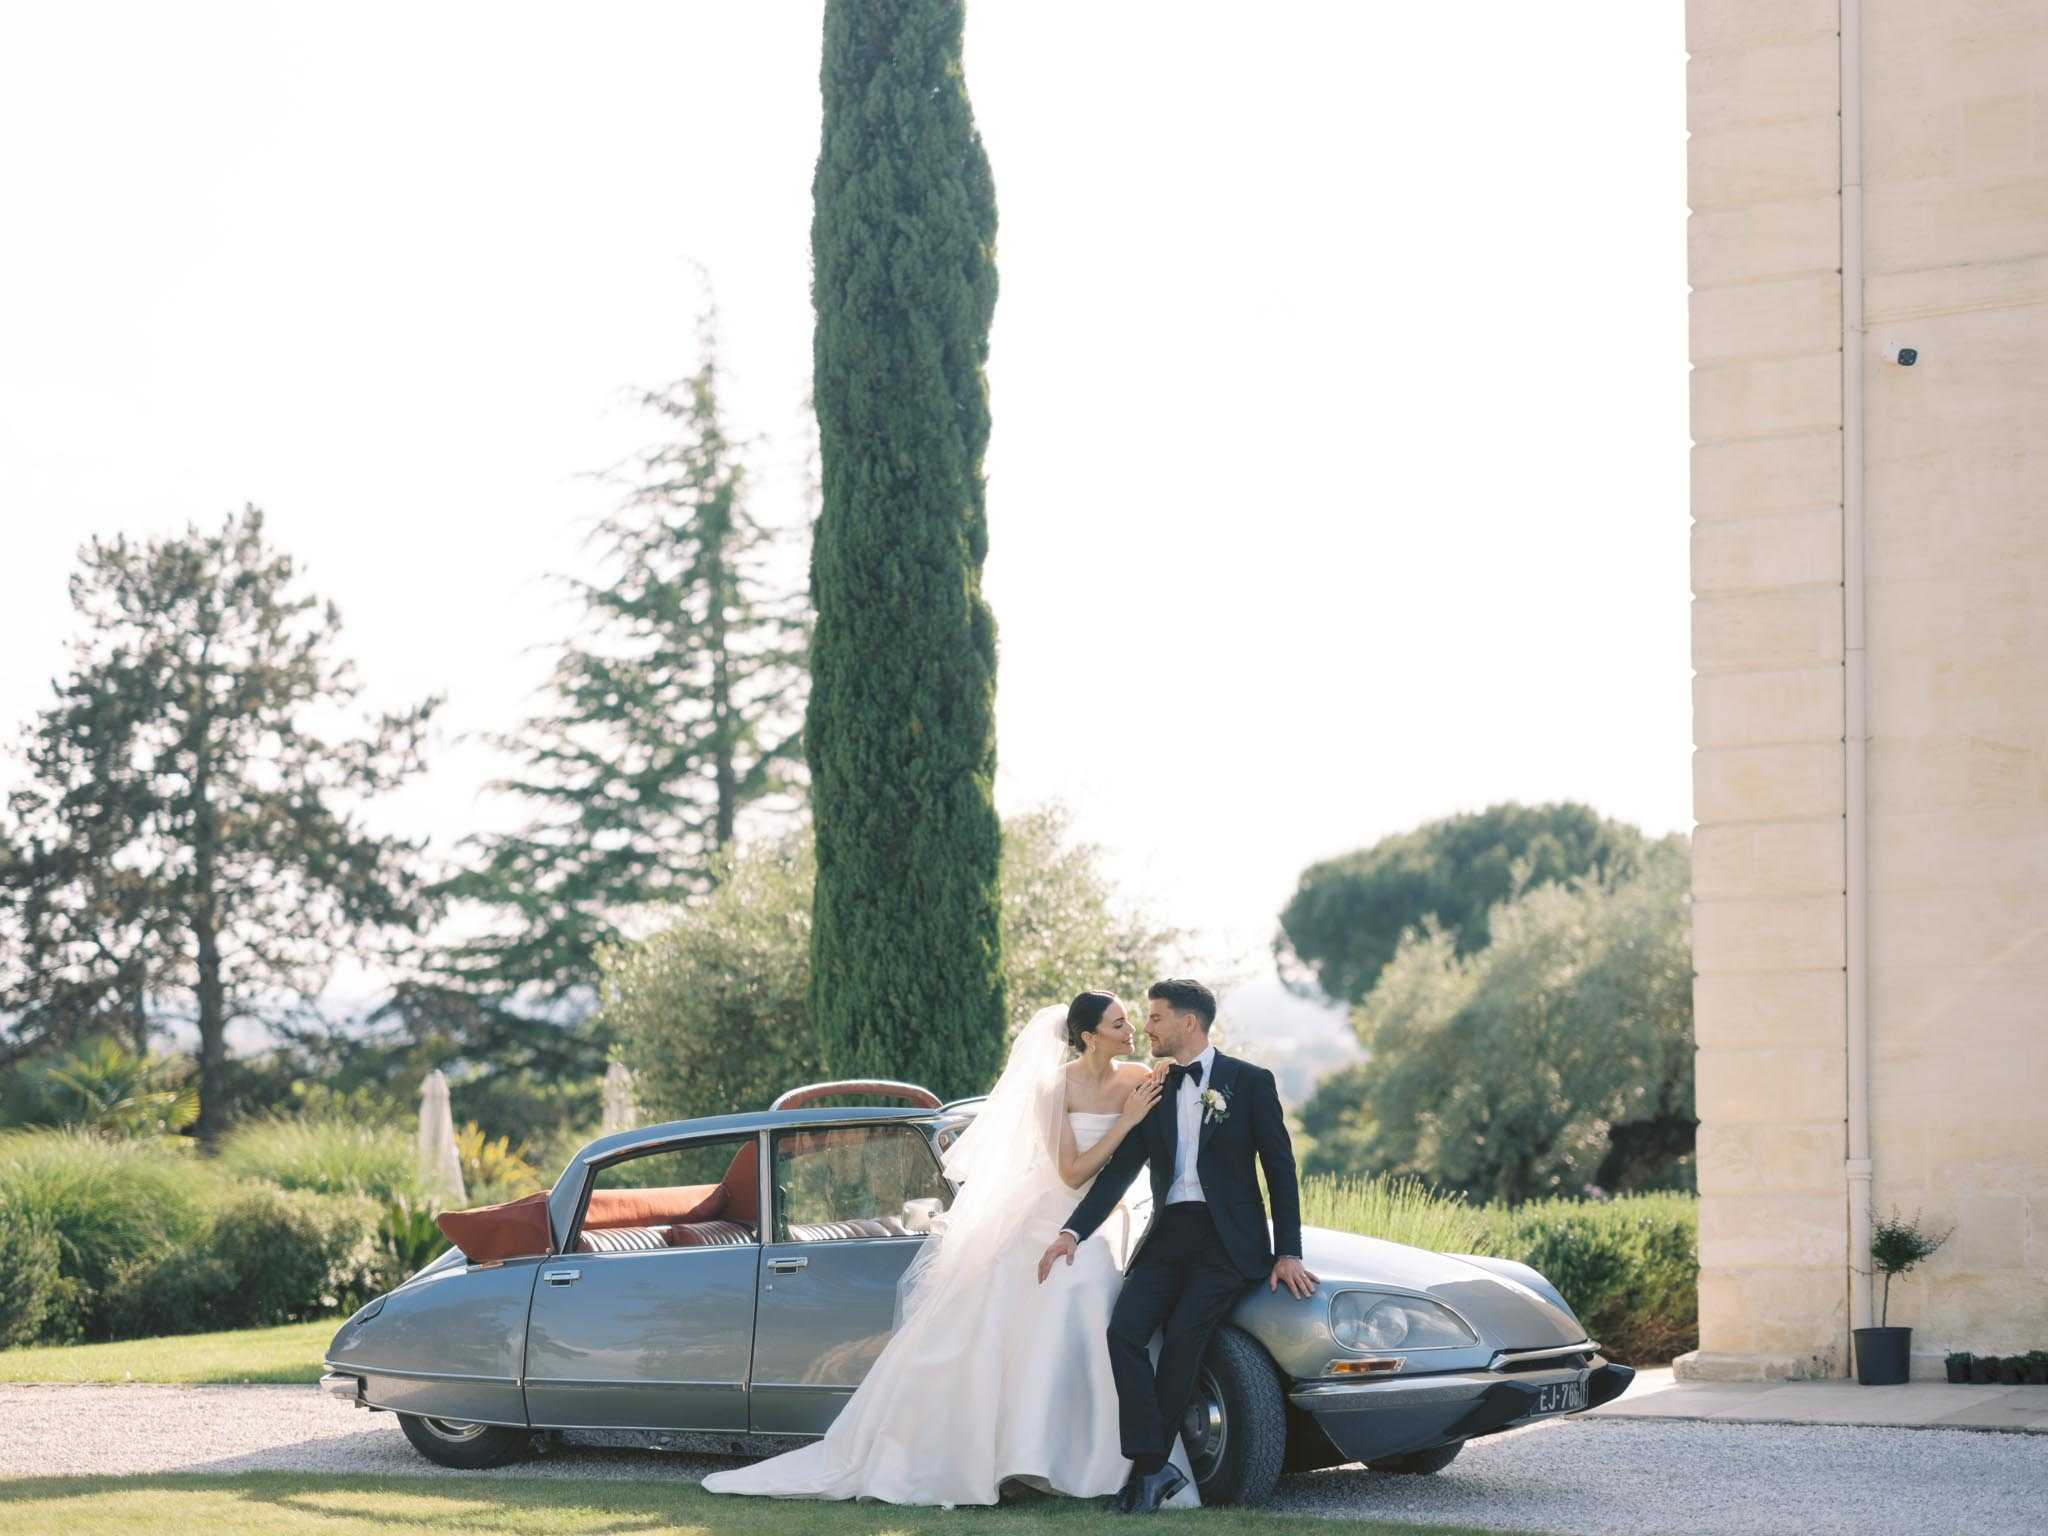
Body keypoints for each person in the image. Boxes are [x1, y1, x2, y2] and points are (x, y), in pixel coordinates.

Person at [700, 991, 1198, 1506]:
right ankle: (1018, 1458)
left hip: (1103, 1215)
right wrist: (1126, 1121)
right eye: (1119, 1023)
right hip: (1052, 1212)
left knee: (1100, 1302)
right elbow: (1071, 1172)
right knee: (1058, 1297)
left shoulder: (1140, 1075)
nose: (1132, 1029)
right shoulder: (1054, 1088)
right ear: (1090, 1036)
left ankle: (1103, 1464)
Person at [1038, 977, 1318, 1515]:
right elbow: (1119, 1172)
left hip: (1227, 1244)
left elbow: (1281, 1171)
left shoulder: (1251, 1082)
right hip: (1167, 1236)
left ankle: (1146, 1474)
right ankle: (1154, 1466)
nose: (1147, 1028)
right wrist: (1071, 1233)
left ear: (1188, 1023)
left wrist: (1289, 1252)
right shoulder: (1156, 1089)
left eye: (1157, 1017)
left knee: (1185, 1341)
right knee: (1124, 1333)